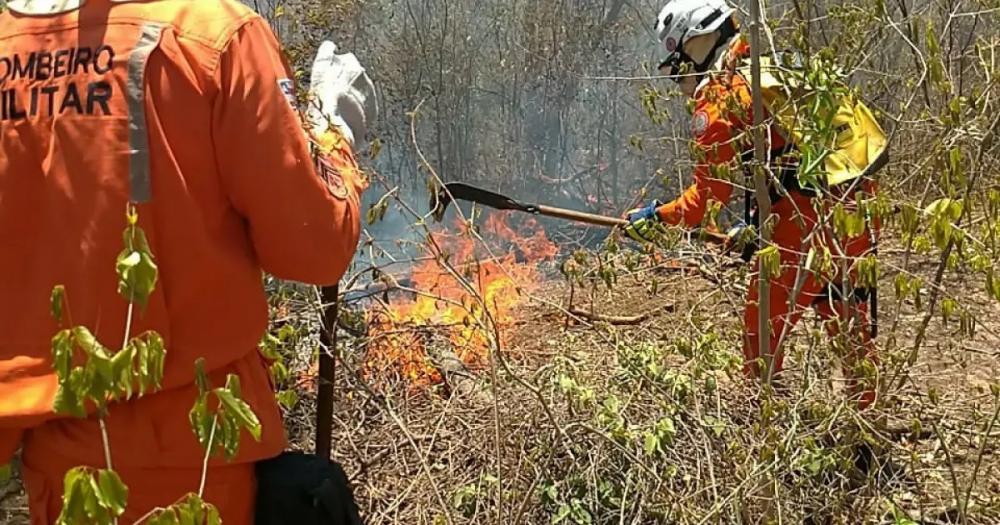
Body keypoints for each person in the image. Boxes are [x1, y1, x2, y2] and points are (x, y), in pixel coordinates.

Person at [0, 0, 376, 522]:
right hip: (196, 467)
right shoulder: (213, 34)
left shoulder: (11, 42)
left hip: (56, 471)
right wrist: (332, 129)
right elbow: (315, 248)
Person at [624, 0, 883, 409]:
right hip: (859, 213)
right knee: (850, 329)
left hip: (803, 229)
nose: (680, 69)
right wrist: (751, 228)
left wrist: (658, 216)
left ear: (697, 41)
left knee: (760, 333)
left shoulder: (721, 99)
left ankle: (764, 429)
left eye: (679, 55)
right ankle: (865, 436)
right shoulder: (777, 66)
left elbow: (706, 201)